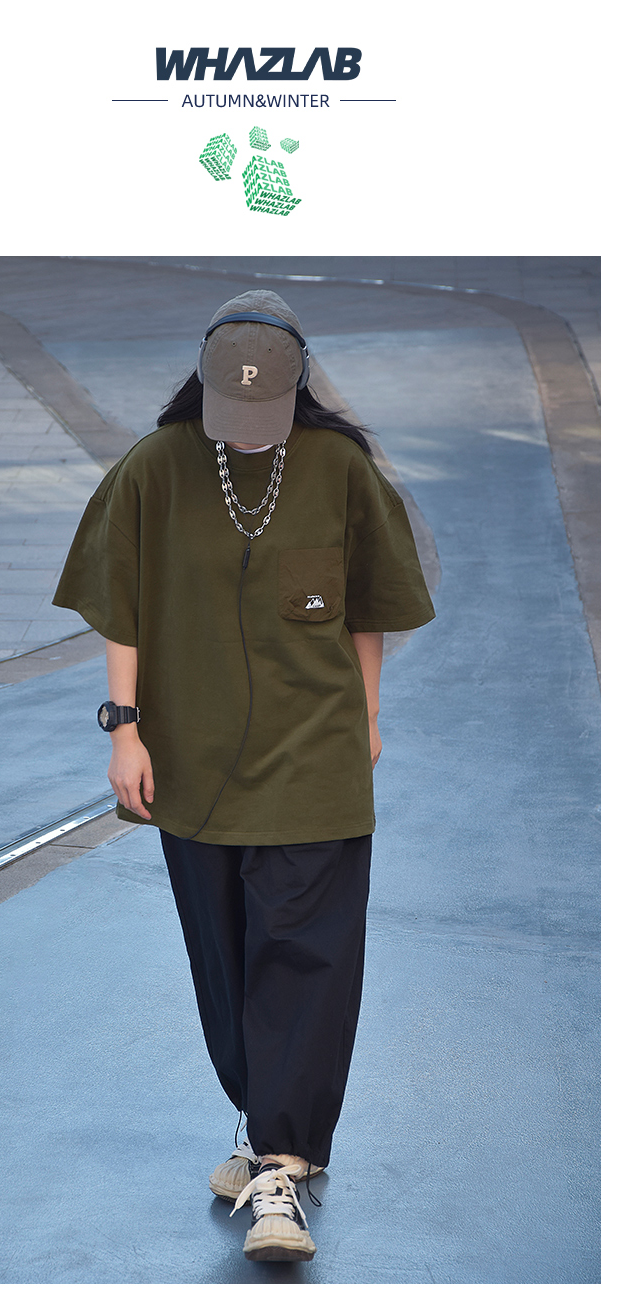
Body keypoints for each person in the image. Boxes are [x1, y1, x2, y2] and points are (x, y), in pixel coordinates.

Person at [53, 289, 435, 1264]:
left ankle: (280, 1166)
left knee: (305, 958)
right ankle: (268, 1121)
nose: (251, 427)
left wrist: (368, 717)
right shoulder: (155, 467)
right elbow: (121, 602)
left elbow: (370, 604)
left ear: (300, 385)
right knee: (224, 966)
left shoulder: (341, 469)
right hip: (193, 763)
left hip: (315, 759)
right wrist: (125, 729)